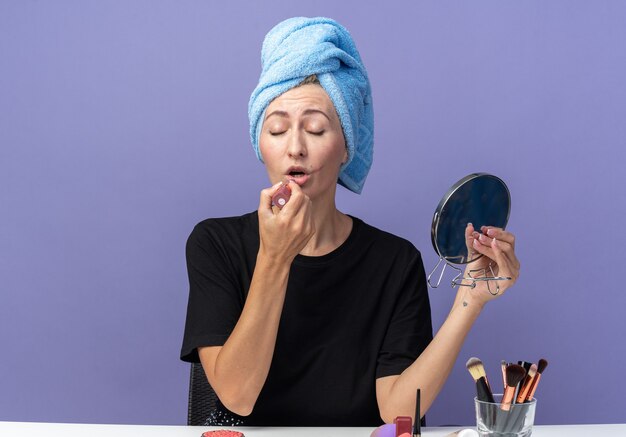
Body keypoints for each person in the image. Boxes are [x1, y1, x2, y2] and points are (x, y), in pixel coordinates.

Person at [180, 17, 520, 427]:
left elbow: (396, 414)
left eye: (316, 128)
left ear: (346, 148)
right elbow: (237, 397)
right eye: (276, 129)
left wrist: (470, 300)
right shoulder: (215, 243)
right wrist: (274, 257)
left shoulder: (394, 262)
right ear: (260, 144)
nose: (295, 148)